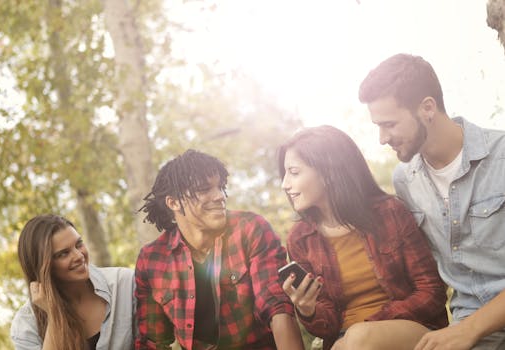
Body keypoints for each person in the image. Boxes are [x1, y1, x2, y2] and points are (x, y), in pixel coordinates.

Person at [359, 53, 505, 350]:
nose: (382, 138)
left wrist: (469, 331)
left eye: (389, 124)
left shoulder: (501, 157)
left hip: (474, 328)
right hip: (468, 330)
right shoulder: (405, 180)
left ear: (427, 108)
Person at [278, 125, 448, 350]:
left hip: (412, 330)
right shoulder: (300, 239)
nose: (284, 184)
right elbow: (326, 328)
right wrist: (308, 310)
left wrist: (365, 328)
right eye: (285, 173)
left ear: (328, 171)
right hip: (344, 340)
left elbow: (431, 292)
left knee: (358, 338)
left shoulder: (389, 213)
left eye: (294, 172)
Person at [135, 149, 304, 350]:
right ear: (173, 203)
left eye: (220, 187)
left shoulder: (250, 229)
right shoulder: (152, 260)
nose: (220, 196)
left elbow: (277, 308)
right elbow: (152, 341)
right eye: (204, 189)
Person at [10, 214, 135, 350]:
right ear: (43, 267)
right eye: (63, 254)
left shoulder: (125, 284)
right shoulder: (26, 325)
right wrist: (53, 315)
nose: (79, 256)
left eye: (79, 244)